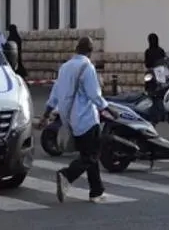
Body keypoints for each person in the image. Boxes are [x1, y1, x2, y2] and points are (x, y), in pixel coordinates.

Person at [38, 37, 114, 204]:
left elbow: (54, 95)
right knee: (92, 155)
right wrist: (107, 109)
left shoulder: (64, 68)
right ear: (90, 51)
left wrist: (45, 115)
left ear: (76, 48)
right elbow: (94, 94)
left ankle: (96, 191)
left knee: (88, 154)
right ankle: (67, 174)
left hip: (69, 119)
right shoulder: (87, 67)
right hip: (86, 118)